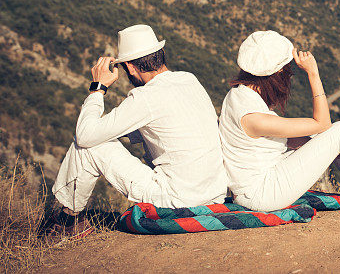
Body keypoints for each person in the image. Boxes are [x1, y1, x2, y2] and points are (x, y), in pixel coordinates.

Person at [49, 24, 228, 238]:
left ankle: (68, 222)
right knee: (97, 137)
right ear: (160, 55)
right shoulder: (189, 80)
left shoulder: (145, 97)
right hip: (215, 194)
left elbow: (86, 136)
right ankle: (67, 221)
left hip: (179, 200)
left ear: (131, 68)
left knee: (87, 147)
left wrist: (98, 88)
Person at [218, 30, 340, 220]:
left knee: (329, 139)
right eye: (287, 69)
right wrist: (313, 73)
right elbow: (323, 123)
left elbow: (281, 140)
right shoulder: (253, 118)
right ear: (277, 72)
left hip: (258, 183)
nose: (290, 74)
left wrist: (322, 146)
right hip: (263, 194)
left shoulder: (238, 95)